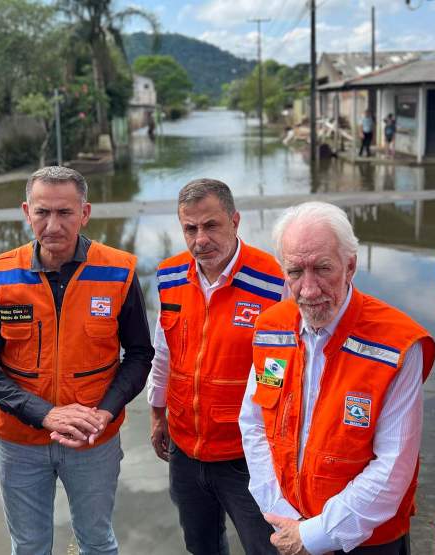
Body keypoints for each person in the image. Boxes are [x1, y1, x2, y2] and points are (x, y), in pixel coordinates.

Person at [0, 166, 154, 555]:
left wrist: (104, 414)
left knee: (98, 542)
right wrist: (44, 414)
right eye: (42, 212)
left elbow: (138, 354)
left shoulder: (118, 270)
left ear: (85, 213)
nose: (53, 225)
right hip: (19, 442)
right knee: (30, 546)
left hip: (93, 439)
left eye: (65, 213)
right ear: (26, 211)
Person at [239, 202, 435, 555]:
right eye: (295, 271)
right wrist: (282, 514)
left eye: (323, 269)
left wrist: (316, 535)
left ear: (351, 266)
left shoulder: (396, 344)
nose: (309, 290)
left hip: (368, 541)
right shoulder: (271, 329)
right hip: (287, 523)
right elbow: (254, 424)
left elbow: (394, 466)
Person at [148, 179, 283, 555]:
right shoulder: (170, 276)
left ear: (235, 220)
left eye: (211, 225)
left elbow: (286, 371)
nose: (199, 239)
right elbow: (164, 352)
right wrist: (158, 414)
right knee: (201, 545)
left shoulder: (274, 282)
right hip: (185, 449)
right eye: (190, 228)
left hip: (247, 456)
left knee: (267, 546)